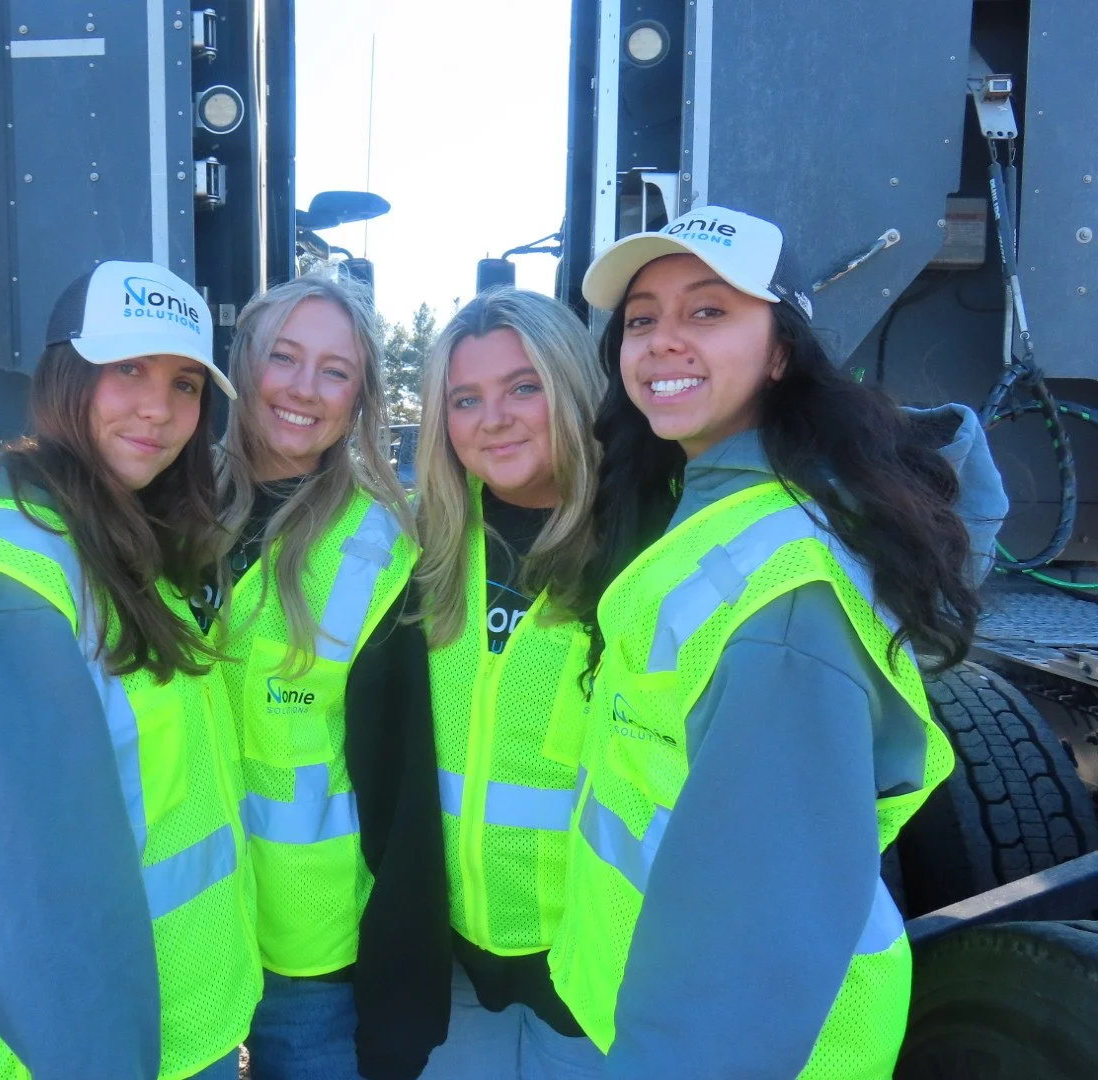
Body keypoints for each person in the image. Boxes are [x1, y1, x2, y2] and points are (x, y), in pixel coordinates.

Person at [547, 206, 1009, 1078]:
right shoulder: (714, 501)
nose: (663, 341)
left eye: (709, 311)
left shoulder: (789, 596)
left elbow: (750, 925)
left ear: (781, 351)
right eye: (642, 320)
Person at [0, 261, 260, 1080]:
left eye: (185, 383)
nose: (159, 408)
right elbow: (37, 909)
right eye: (127, 370)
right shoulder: (12, 585)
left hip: (176, 1030)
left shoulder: (116, 550)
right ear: (60, 379)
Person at [212, 272, 449, 1080]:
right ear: (243, 362)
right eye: (284, 357)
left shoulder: (383, 551)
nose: (303, 390)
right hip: (176, 921)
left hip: (309, 946)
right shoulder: (158, 514)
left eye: (335, 371)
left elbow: (400, 782)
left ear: (361, 396)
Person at [412, 288, 610, 1080]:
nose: (493, 419)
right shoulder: (424, 552)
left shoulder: (643, 547)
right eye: (466, 399)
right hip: (456, 959)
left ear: (571, 384)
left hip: (599, 968)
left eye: (523, 387)